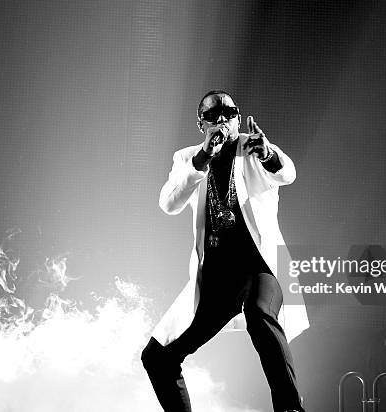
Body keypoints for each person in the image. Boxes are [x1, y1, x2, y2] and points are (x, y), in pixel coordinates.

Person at [141, 90, 309, 412]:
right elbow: (168, 203)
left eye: (230, 112)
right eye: (213, 114)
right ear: (200, 123)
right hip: (219, 282)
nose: (223, 119)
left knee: (259, 314)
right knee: (157, 357)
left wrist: (268, 154)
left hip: (262, 269)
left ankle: (290, 409)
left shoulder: (252, 147)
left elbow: (287, 173)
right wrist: (202, 158)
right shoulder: (188, 158)